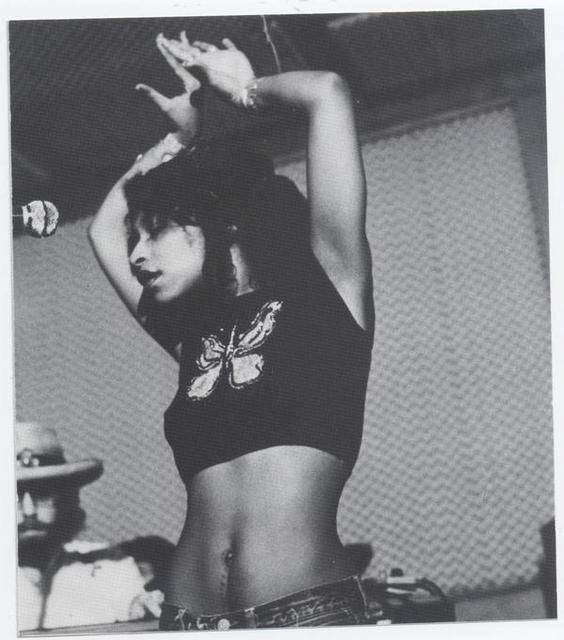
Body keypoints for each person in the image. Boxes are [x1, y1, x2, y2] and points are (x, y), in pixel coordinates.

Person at [88, 31, 378, 630]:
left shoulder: (329, 296)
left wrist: (245, 91)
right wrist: (178, 138)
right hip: (187, 619)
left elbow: (327, 92)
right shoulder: (192, 337)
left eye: (155, 231)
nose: (137, 254)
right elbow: (102, 228)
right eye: (137, 238)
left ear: (224, 224)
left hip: (302, 616)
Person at [16, 421, 165, 631]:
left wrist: (140, 608)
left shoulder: (108, 565)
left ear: (67, 498)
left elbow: (133, 604)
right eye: (13, 495)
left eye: (42, 493)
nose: (29, 510)